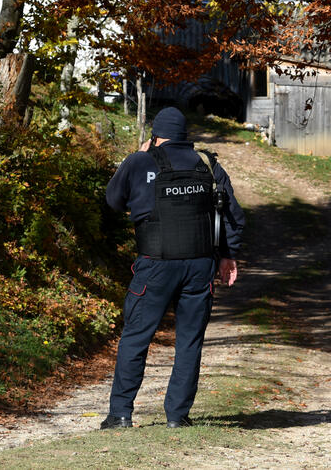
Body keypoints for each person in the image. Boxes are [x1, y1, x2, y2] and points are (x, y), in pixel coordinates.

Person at [100, 106, 244, 429]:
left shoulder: (141, 161)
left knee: (136, 336)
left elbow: (112, 200)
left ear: (155, 136)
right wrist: (228, 255)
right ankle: (177, 416)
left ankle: (121, 414)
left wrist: (136, 160)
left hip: (156, 264)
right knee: (190, 340)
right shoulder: (208, 163)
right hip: (200, 265)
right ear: (184, 135)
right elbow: (232, 214)